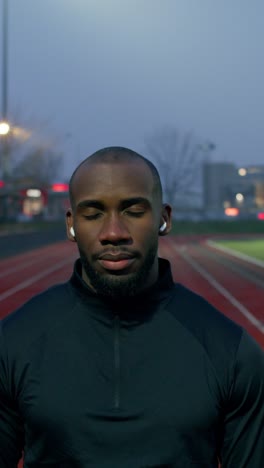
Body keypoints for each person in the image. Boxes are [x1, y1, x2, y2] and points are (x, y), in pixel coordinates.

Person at [0, 146, 264, 468]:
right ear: (71, 224)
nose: (114, 233)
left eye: (134, 211)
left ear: (164, 219)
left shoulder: (231, 352)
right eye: (93, 213)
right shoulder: (12, 343)